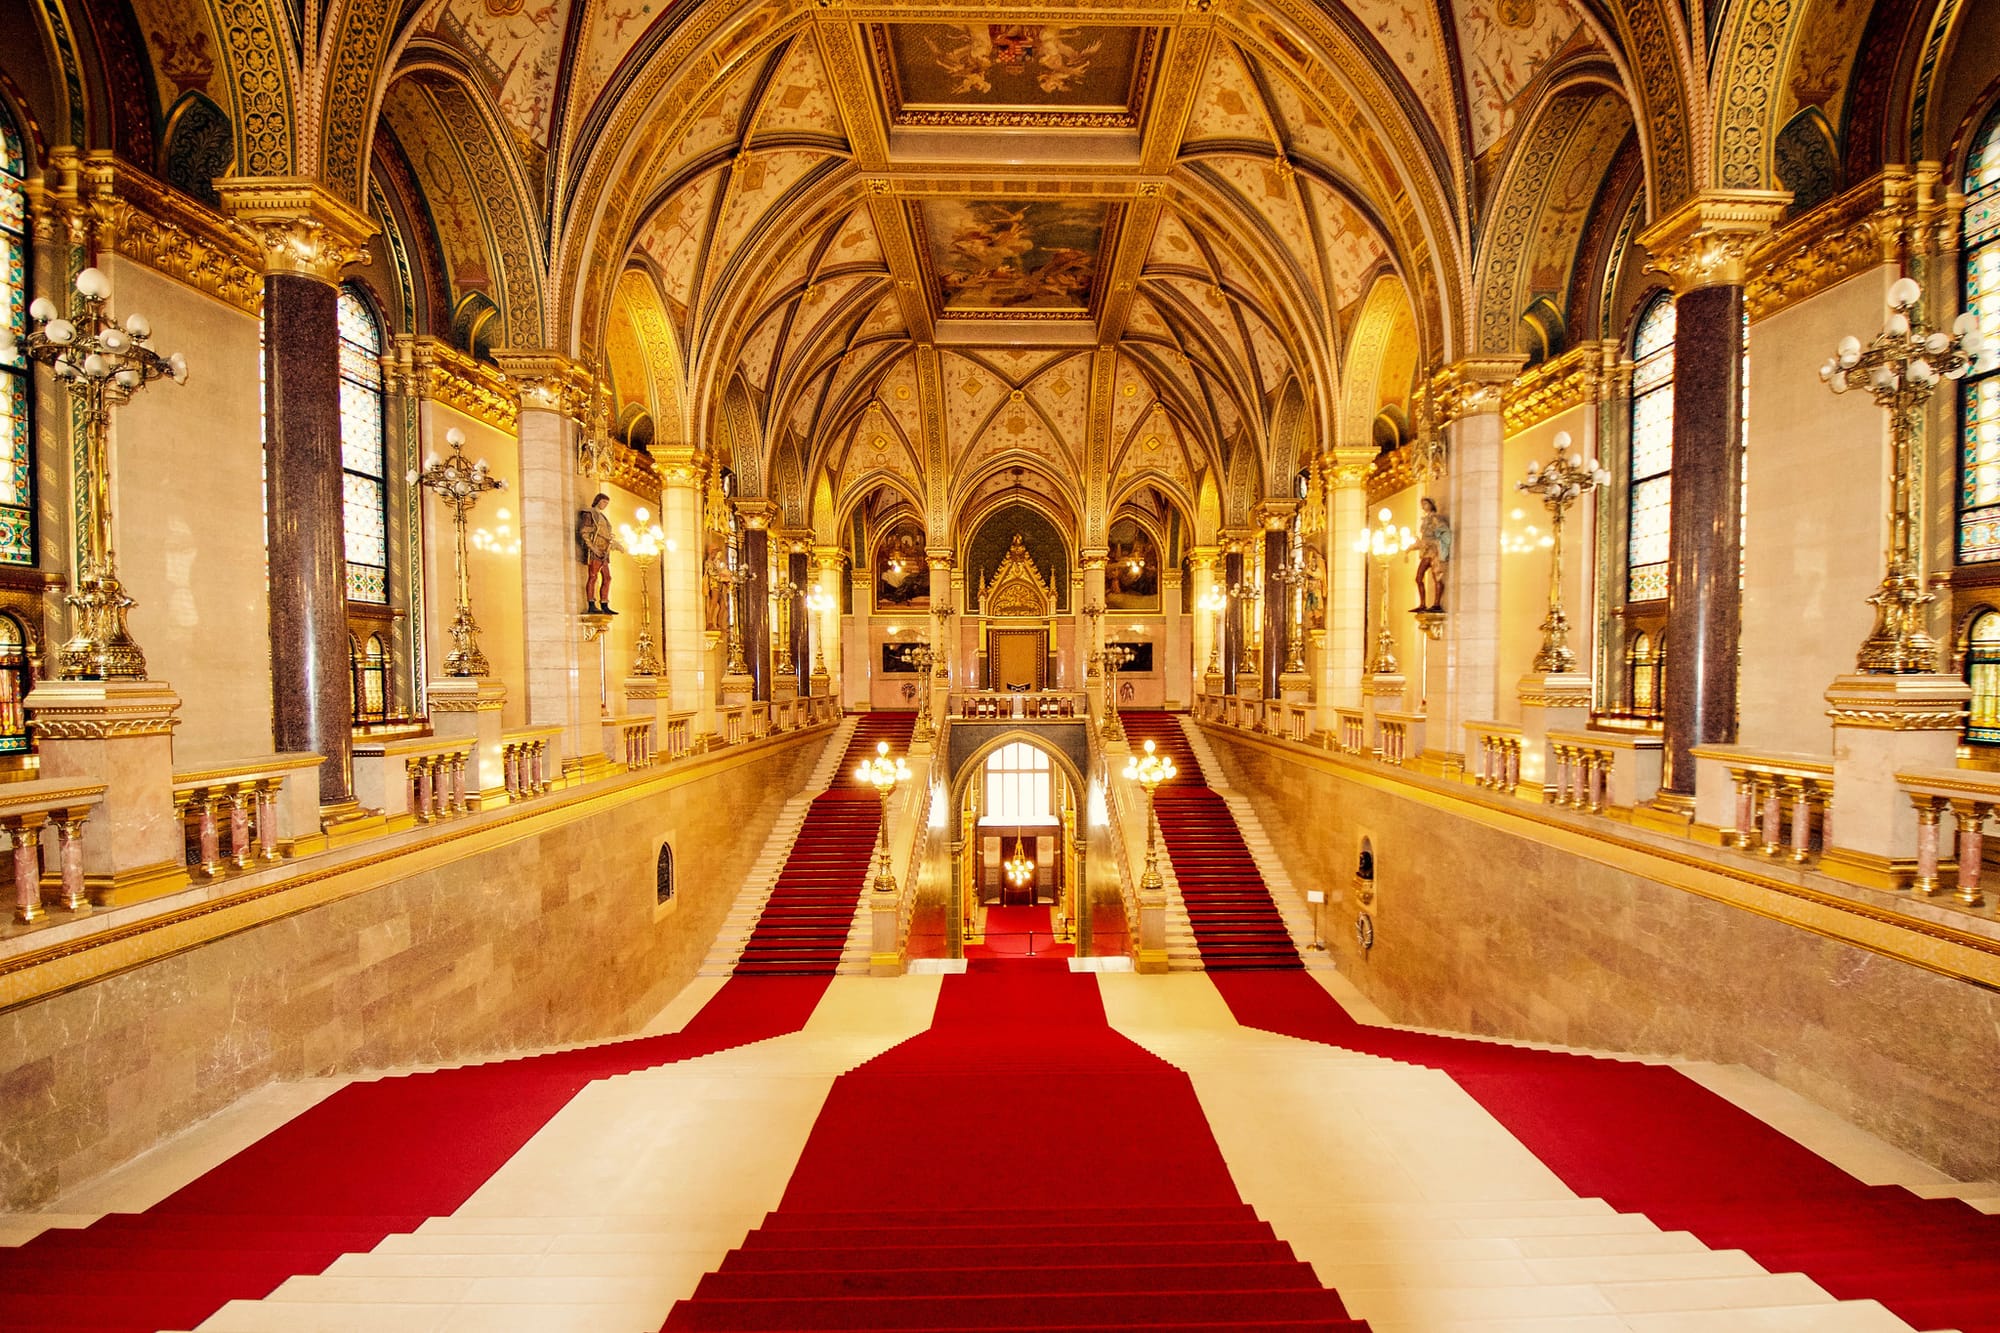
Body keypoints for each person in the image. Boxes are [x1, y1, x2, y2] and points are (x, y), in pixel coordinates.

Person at [578, 493, 616, 614]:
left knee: (607, 577)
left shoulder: (603, 517)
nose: (605, 505)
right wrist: (593, 548)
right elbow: (584, 531)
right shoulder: (589, 514)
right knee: (593, 576)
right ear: (598, 501)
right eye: (604, 502)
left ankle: (604, 603)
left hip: (604, 551)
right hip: (596, 550)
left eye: (607, 503)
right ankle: (591, 603)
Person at [1413, 496, 1451, 612]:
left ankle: (1437, 603)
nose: (1423, 506)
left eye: (1425, 504)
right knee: (1418, 578)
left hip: (1433, 551)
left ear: (1431, 504)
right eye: (1422, 504)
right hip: (1426, 552)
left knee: (1437, 578)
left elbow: (1444, 532)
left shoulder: (1435, 518)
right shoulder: (1424, 520)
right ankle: (1422, 604)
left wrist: (1435, 542)